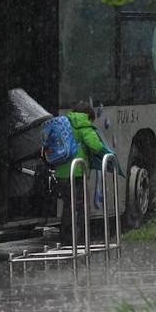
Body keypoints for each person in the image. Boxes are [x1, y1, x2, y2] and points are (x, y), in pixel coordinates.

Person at [54, 102, 105, 246]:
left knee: (68, 206)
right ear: (88, 115)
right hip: (76, 173)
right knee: (82, 207)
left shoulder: (65, 123)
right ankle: (81, 239)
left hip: (61, 173)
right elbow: (95, 146)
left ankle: (65, 238)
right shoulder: (84, 125)